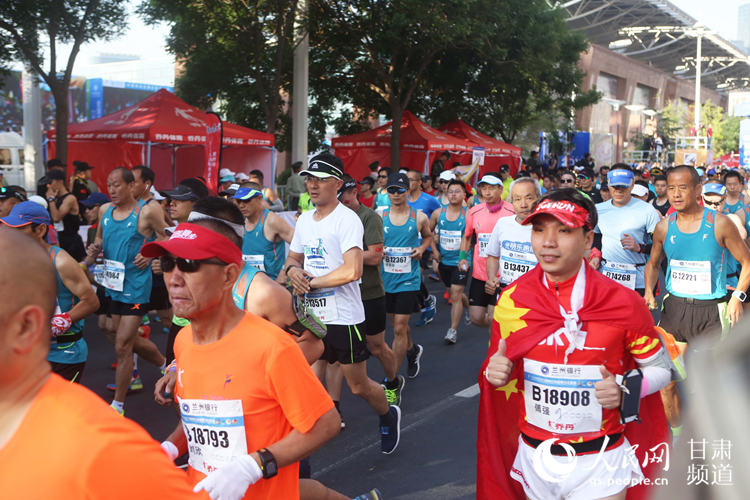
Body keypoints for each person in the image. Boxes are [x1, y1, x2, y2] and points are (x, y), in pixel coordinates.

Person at [478, 188, 671, 500]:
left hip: (600, 459)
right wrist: (495, 373)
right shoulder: (513, 299)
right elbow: (500, 369)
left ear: (588, 239)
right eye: (539, 230)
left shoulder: (622, 302)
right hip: (536, 457)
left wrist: (626, 389)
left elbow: (661, 369)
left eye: (563, 230)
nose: (547, 242)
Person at [0, 226, 210, 500]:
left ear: (25, 328)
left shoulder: (103, 449)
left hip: (130, 298)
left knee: (124, 342)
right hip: (115, 293)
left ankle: (133, 389)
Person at [142, 220, 341, 500]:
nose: (174, 277)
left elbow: (326, 423)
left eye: (188, 263)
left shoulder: (271, 345)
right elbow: (203, 417)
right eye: (167, 263)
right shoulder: (183, 341)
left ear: (228, 276)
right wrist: (171, 448)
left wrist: (254, 466)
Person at [284, 152, 401, 454]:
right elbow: (294, 257)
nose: (312, 185)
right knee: (301, 373)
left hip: (344, 317)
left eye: (321, 180)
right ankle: (303, 437)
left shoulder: (348, 220)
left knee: (358, 386)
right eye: (309, 178)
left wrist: (309, 282)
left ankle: (388, 414)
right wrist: (293, 271)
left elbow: (353, 270)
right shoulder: (305, 221)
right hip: (312, 316)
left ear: (337, 184)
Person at [644, 165, 750, 435]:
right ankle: (678, 438)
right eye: (671, 188)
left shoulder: (720, 223)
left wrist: (737, 296)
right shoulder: (664, 226)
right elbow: (653, 263)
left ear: (698, 189)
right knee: (666, 382)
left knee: (708, 383)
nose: (676, 194)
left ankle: (712, 439)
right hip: (675, 311)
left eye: (683, 187)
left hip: (710, 314)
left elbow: (746, 262)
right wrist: (648, 291)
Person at [83, 167, 168, 415]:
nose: (112, 189)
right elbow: (99, 238)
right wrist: (93, 250)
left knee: (122, 345)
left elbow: (167, 237)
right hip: (112, 285)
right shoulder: (104, 211)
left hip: (136, 289)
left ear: (131, 186)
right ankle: (165, 364)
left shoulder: (147, 211)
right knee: (123, 338)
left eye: (117, 184)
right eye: (109, 185)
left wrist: (149, 251)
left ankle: (117, 405)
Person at [1, 202, 99, 383]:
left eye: (19, 229)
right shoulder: (17, 258)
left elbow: (91, 301)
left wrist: (64, 320)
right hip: (32, 352)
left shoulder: (61, 261)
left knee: (60, 409)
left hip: (65, 352)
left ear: (40, 230)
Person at [333, 179, 400, 419]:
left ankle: (392, 382)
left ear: (353, 192)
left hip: (369, 293)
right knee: (337, 356)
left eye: (343, 196)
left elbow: (374, 257)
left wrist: (342, 254)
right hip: (339, 295)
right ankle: (335, 408)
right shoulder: (333, 217)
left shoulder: (369, 217)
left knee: (377, 347)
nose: (339, 201)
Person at [382, 172, 433, 380]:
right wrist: (379, 250)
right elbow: (371, 244)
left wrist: (422, 248)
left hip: (408, 280)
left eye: (399, 190)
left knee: (400, 328)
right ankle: (412, 351)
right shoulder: (380, 216)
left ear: (407, 191)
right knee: (396, 326)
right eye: (391, 190)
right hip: (385, 280)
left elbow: (429, 236)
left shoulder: (419, 217)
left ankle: (392, 380)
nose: (395, 194)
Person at [459, 173, 514, 331]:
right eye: (483, 188)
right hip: (480, 273)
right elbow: (467, 236)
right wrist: (463, 257)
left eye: (491, 188)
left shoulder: (511, 212)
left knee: (493, 320)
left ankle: (494, 353)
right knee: (476, 317)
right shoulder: (474, 211)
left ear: (500, 189)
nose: (487, 192)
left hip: (502, 276)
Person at [594, 167, 661, 296]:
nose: (618, 190)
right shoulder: (598, 209)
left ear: (632, 185)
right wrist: (595, 255)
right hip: (606, 277)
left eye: (623, 186)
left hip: (637, 280)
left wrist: (640, 247)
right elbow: (595, 238)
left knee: (636, 316)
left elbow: (660, 246)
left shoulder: (647, 210)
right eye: (615, 186)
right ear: (608, 184)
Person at [485, 177, 541, 315]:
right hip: (506, 297)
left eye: (529, 198)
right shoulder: (503, 224)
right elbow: (493, 256)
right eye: (517, 199)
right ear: (512, 201)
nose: (523, 204)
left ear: (539, 199)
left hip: (536, 301)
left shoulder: (546, 228)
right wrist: (491, 277)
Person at [430, 179, 470, 344]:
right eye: (451, 191)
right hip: (444, 262)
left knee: (455, 294)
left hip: (461, 262)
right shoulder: (438, 213)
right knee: (457, 295)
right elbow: (428, 233)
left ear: (464, 195)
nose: (453, 194)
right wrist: (434, 250)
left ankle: (452, 330)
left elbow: (469, 237)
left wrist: (463, 257)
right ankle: (468, 309)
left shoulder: (468, 214)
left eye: (457, 191)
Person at [233, 186, 294, 283]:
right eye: (238, 201)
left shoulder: (272, 221)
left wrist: (284, 270)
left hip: (273, 287)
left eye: (247, 200)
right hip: (248, 285)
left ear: (259, 199)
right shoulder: (240, 222)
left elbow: (299, 246)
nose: (241, 205)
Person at [406, 169, 441, 323]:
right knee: (410, 278)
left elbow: (441, 215)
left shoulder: (429, 200)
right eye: (406, 180)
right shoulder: (402, 199)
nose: (408, 183)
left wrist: (437, 236)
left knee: (414, 275)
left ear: (420, 182)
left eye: (412, 180)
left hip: (423, 244)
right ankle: (426, 299)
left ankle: (426, 302)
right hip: (406, 246)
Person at [45, 169, 86, 261]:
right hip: (60, 239)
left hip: (71, 241)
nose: (49, 186)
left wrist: (51, 199)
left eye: (50, 182)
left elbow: (56, 218)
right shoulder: (58, 198)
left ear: (59, 181)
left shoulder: (70, 198)